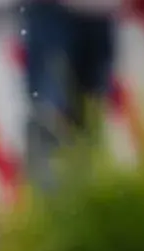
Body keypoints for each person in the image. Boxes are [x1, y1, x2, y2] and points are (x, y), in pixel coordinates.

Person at [25, 0, 120, 187]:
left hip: (101, 11)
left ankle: (81, 192)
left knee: (90, 113)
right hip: (53, 10)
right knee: (52, 112)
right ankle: (52, 195)